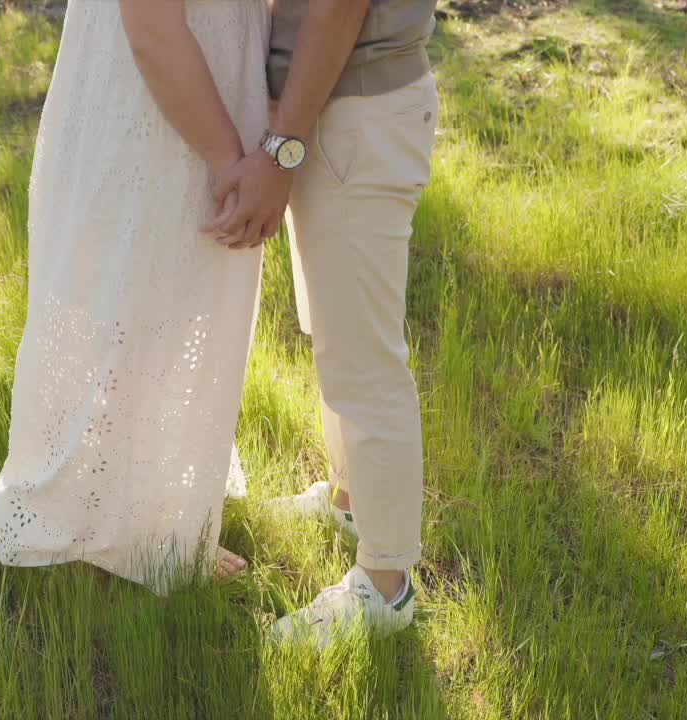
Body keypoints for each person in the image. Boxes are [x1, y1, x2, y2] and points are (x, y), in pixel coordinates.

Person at [0, 0, 271, 593]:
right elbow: (154, 30)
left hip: (207, 78)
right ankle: (136, 528)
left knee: (171, 298)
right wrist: (227, 160)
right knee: (139, 296)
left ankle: (153, 498)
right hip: (161, 102)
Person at [210, 0, 440, 643]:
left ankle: (385, 586)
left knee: (365, 360)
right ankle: (350, 503)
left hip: (354, 108)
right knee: (337, 338)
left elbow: (340, 8)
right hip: (331, 106)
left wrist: (282, 146)